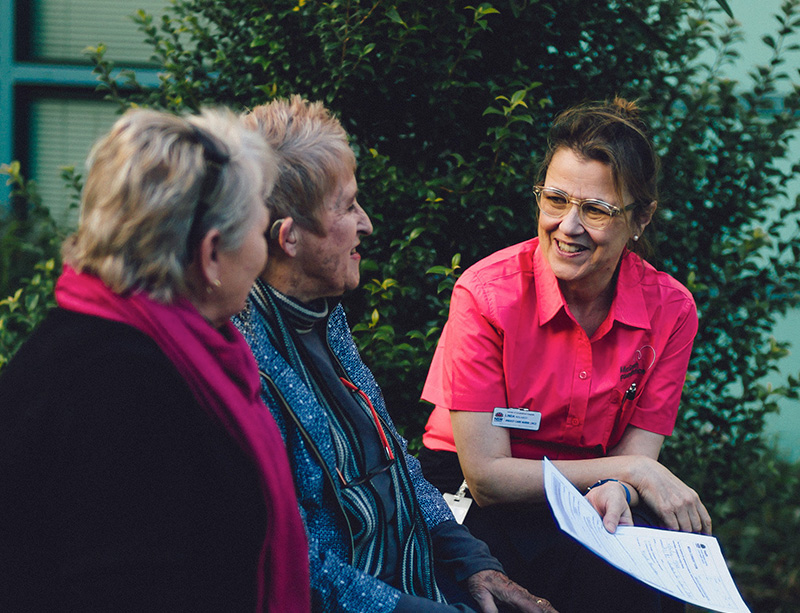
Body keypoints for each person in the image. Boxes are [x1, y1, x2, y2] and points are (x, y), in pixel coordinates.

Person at [233, 95, 556, 613]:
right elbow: (299, 564)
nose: (367, 225)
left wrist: (476, 564)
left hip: (421, 584)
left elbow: (395, 465)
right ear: (289, 238)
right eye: (346, 207)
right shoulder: (242, 367)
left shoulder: (323, 315)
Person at [0, 108, 310, 611]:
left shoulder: (90, 345)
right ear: (210, 254)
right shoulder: (126, 393)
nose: (264, 252)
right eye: (260, 231)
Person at [417, 98, 712, 613]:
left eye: (596, 210)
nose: (567, 226)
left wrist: (619, 480)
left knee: (649, 584)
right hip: (475, 491)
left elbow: (637, 459)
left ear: (640, 219)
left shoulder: (672, 309)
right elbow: (487, 476)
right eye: (555, 199)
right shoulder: (486, 294)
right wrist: (629, 474)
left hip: (594, 491)